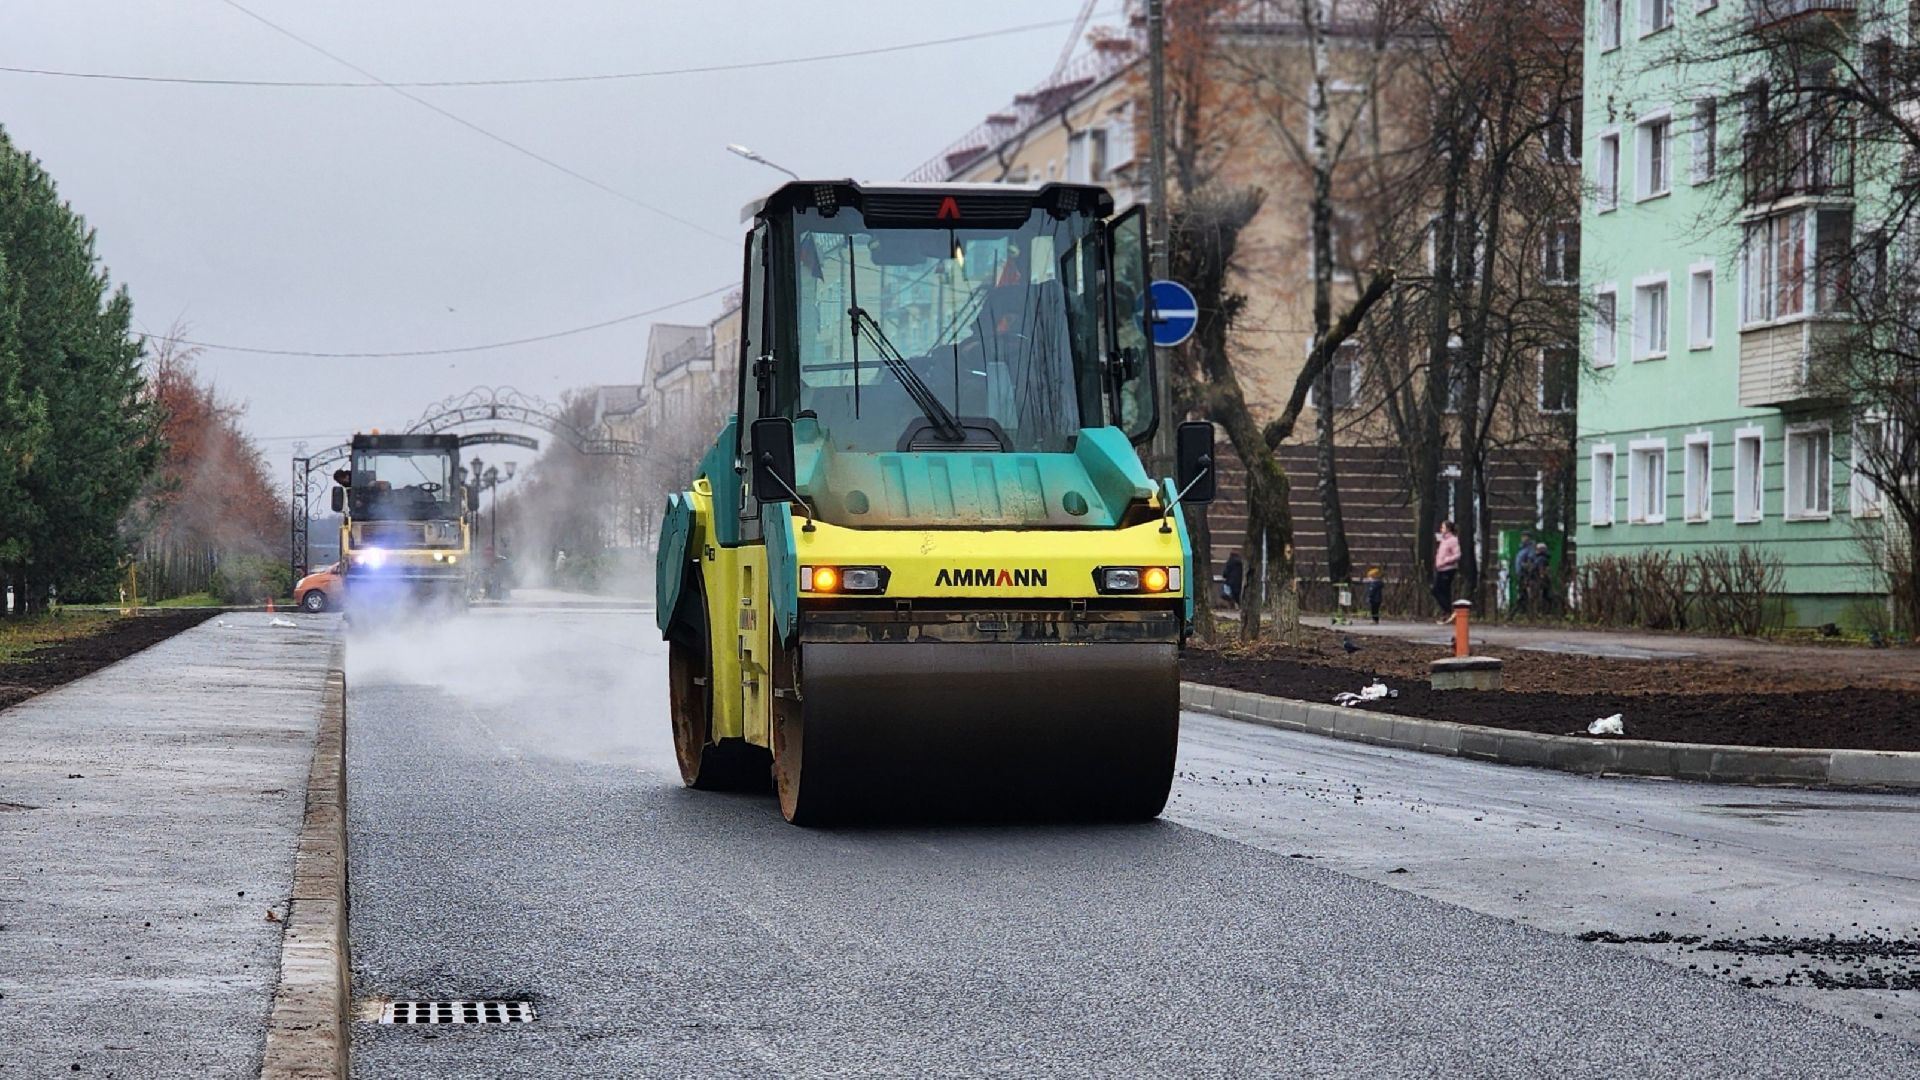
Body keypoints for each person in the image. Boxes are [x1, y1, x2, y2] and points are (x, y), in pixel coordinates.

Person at [1432, 521, 1460, 620]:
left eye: (1442, 528)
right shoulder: (1444, 540)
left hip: (1448, 569)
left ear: (1448, 529)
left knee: (1441, 590)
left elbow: (1457, 555)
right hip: (1441, 569)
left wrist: (1445, 561)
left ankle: (1448, 611)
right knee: (1440, 591)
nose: (1441, 529)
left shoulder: (1453, 540)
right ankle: (1447, 611)